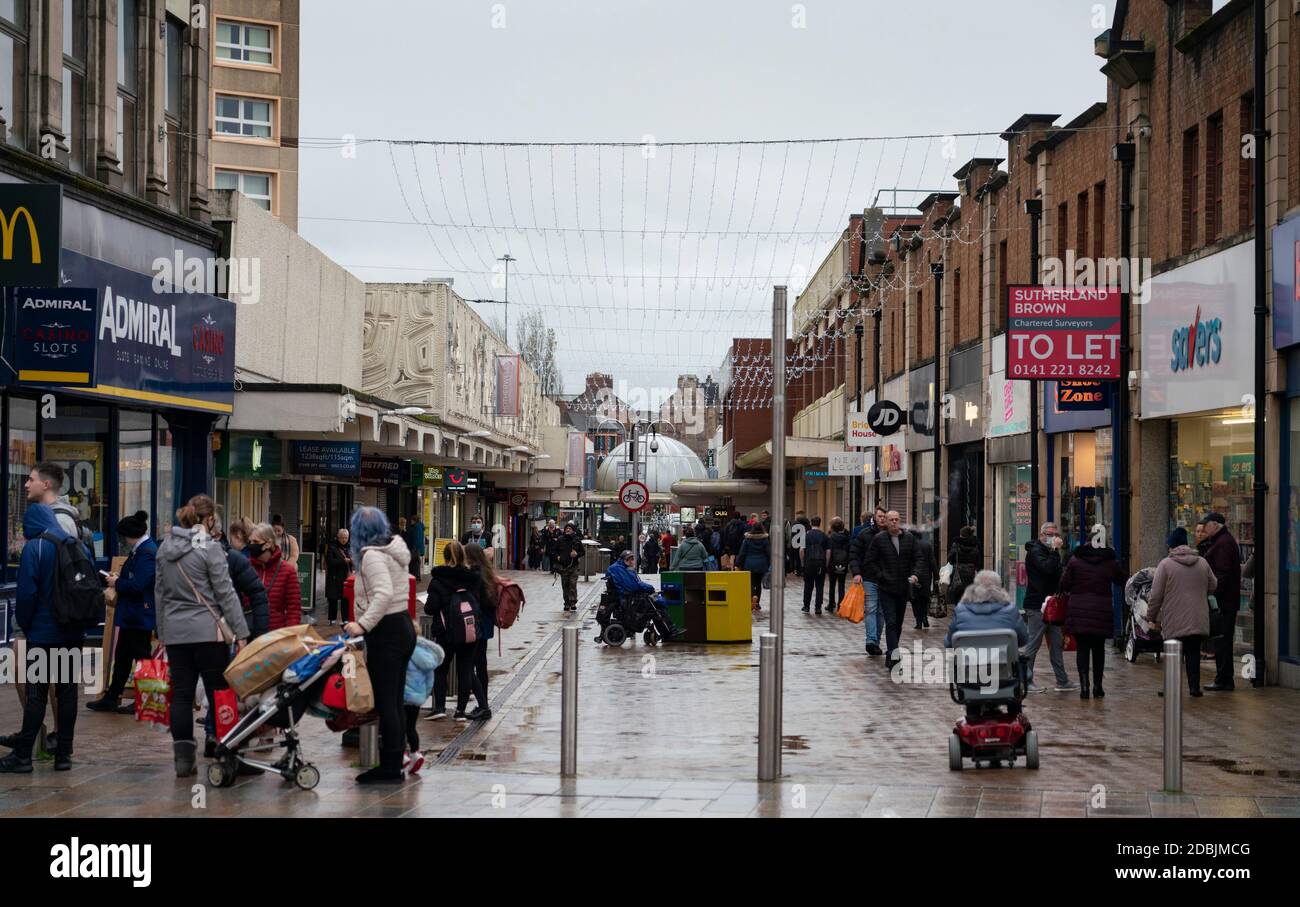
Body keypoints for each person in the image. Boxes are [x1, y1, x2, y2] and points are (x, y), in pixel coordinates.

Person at [154, 495, 249, 778]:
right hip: (208, 632)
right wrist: (241, 631)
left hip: (175, 633)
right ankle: (227, 753)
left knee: (181, 694)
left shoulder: (164, 548)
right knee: (220, 693)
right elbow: (225, 593)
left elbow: (159, 593)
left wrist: (161, 630)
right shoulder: (209, 548)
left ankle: (184, 760)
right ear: (209, 520)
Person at [0, 503, 88, 773]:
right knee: (67, 693)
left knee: (36, 693)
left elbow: (26, 595)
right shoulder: (77, 544)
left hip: (43, 632)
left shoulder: (36, 547)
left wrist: (26, 626)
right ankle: (63, 754)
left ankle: (23, 755)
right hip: (71, 632)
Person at [342, 507, 418, 783]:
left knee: (387, 702)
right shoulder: (393, 550)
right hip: (401, 627)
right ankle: (394, 761)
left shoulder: (372, 556)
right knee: (394, 700)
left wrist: (361, 625)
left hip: (386, 631)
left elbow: (383, 593)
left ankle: (390, 767)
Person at [87, 511, 156, 715]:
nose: (123, 541)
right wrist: (119, 577)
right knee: (123, 656)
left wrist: (117, 582)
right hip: (132, 615)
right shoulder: (141, 550)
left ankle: (146, 701)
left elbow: (139, 585)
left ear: (129, 535)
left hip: (139, 614)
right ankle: (112, 696)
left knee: (142, 658)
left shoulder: (146, 552)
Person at [944, 570, 1030, 720]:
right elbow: (1023, 639)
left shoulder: (961, 610)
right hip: (1006, 677)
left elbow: (949, 643)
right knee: (1017, 678)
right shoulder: (1010, 610)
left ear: (975, 587)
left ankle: (972, 717)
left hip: (971, 679)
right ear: (999, 587)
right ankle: (1015, 717)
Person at [424, 540, 489, 722]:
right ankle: (461, 711)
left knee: (441, 669)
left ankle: (439, 707)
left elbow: (430, 608)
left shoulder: (438, 580)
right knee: (465, 670)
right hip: (470, 631)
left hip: (446, 632)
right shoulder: (473, 578)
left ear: (444, 557)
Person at [1148, 527, 1214, 698]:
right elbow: (1214, 585)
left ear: (1171, 546)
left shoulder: (1165, 565)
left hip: (1174, 617)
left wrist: (1151, 616)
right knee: (1193, 652)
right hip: (1197, 616)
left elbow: (1156, 595)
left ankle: (1171, 687)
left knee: (1173, 653)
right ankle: (1194, 687)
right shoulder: (1202, 562)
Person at [1060, 540, 1125, 700]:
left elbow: (1064, 584)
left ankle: (1084, 688)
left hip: (1079, 611)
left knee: (1082, 649)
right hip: (1101, 612)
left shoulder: (1075, 561)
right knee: (1098, 650)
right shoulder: (1110, 562)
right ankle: (1098, 686)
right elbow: (1121, 579)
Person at [862, 511, 924, 669]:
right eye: (891, 520)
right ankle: (895, 656)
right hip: (886, 588)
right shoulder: (879, 539)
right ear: (886, 522)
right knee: (890, 621)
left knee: (898, 624)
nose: (894, 522)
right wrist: (881, 575)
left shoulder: (909, 539)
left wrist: (915, 574)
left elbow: (918, 558)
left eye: (897, 519)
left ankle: (891, 653)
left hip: (903, 588)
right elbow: (869, 561)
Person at [1020, 522, 1076, 693]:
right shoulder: (1036, 551)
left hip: (1052, 604)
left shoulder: (1048, 552)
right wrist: (1054, 551)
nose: (1054, 537)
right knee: (1033, 644)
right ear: (1042, 535)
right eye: (1050, 534)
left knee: (1057, 643)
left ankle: (1062, 680)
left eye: (1055, 534)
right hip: (1037, 605)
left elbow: (1057, 574)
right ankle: (1026, 681)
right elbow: (1047, 569)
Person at [1197, 512, 1242, 692]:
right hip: (1226, 600)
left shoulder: (1223, 543)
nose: (1205, 528)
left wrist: (1213, 595)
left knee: (1222, 641)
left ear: (1215, 525)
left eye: (1207, 525)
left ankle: (1224, 679)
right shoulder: (1221, 541)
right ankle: (1223, 678)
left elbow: (1221, 574)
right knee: (1221, 640)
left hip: (1224, 602)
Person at [462, 543, 498, 717]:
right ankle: (483, 703)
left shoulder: (475, 575)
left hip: (477, 624)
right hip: (486, 623)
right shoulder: (487, 572)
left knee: (472, 664)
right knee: (481, 664)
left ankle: (483, 705)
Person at [25, 461, 93, 549]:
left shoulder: (60, 521)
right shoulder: (51, 517)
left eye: (31, 480)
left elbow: (61, 561)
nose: (26, 484)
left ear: (46, 485)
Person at [223, 517, 270, 640]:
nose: (230, 543)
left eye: (231, 538)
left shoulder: (237, 559)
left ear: (238, 536)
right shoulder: (254, 555)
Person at [849, 510, 888, 655]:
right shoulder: (865, 534)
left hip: (886, 580)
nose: (882, 519)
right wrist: (856, 573)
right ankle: (871, 641)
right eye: (880, 516)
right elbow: (854, 553)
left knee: (881, 612)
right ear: (874, 518)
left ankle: (875, 642)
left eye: (885, 516)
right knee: (871, 609)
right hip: (869, 578)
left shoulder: (892, 535)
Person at [249, 523, 301, 631]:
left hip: (276, 636)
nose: (251, 545)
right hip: (251, 636)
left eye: (256, 542)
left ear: (268, 544)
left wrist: (288, 636)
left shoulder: (287, 571)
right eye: (250, 541)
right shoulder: (246, 568)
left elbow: (293, 610)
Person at [737, 521, 771, 612]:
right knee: (758, 584)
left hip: (749, 563)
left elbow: (742, 553)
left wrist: (738, 564)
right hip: (761, 564)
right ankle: (757, 603)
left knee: (750, 583)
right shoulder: (765, 539)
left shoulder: (747, 539)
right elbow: (768, 553)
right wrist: (769, 563)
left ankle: (753, 596)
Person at [550, 522, 583, 611]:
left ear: (573, 530)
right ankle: (567, 603)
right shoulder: (560, 539)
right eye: (566, 528)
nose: (568, 530)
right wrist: (557, 556)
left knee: (572, 584)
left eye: (570, 529)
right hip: (563, 567)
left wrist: (576, 554)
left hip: (574, 567)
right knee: (565, 586)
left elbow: (582, 552)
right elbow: (553, 551)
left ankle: (573, 602)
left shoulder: (577, 540)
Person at [324, 528, 353, 626]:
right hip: (334, 577)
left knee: (346, 599)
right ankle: (332, 619)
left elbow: (354, 560)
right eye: (342, 538)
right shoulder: (332, 547)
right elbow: (330, 561)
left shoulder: (350, 548)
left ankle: (345, 619)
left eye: (346, 538)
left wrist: (352, 560)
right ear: (338, 537)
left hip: (346, 577)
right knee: (333, 599)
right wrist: (343, 561)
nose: (344, 540)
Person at [946, 526, 981, 605]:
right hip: (970, 573)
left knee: (957, 595)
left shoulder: (956, 544)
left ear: (961, 534)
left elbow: (950, 558)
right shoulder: (975, 545)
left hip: (958, 574)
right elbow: (978, 561)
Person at [911, 528, 938, 630]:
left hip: (913, 576)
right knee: (924, 598)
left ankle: (918, 622)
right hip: (926, 576)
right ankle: (925, 618)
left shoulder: (910, 546)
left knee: (915, 599)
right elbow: (932, 562)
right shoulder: (927, 545)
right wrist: (936, 576)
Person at [801, 516, 829, 614]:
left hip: (809, 562)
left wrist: (802, 563)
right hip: (820, 562)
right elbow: (828, 551)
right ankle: (818, 607)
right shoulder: (824, 536)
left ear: (811, 523)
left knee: (808, 585)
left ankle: (806, 606)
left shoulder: (806, 535)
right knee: (819, 586)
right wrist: (826, 563)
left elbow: (801, 550)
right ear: (820, 523)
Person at [826, 517, 852, 612]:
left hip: (833, 562)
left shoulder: (831, 537)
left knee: (832, 585)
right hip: (843, 563)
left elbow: (829, 550)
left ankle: (831, 604)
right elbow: (849, 549)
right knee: (842, 585)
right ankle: (840, 605)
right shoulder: (847, 536)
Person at [406, 513, 426, 581]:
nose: (411, 522)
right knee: (416, 562)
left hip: (416, 548)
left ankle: (416, 576)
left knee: (414, 562)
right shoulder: (420, 526)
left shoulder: (416, 527)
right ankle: (417, 576)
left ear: (414, 520)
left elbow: (416, 538)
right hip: (419, 547)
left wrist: (414, 547)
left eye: (411, 520)